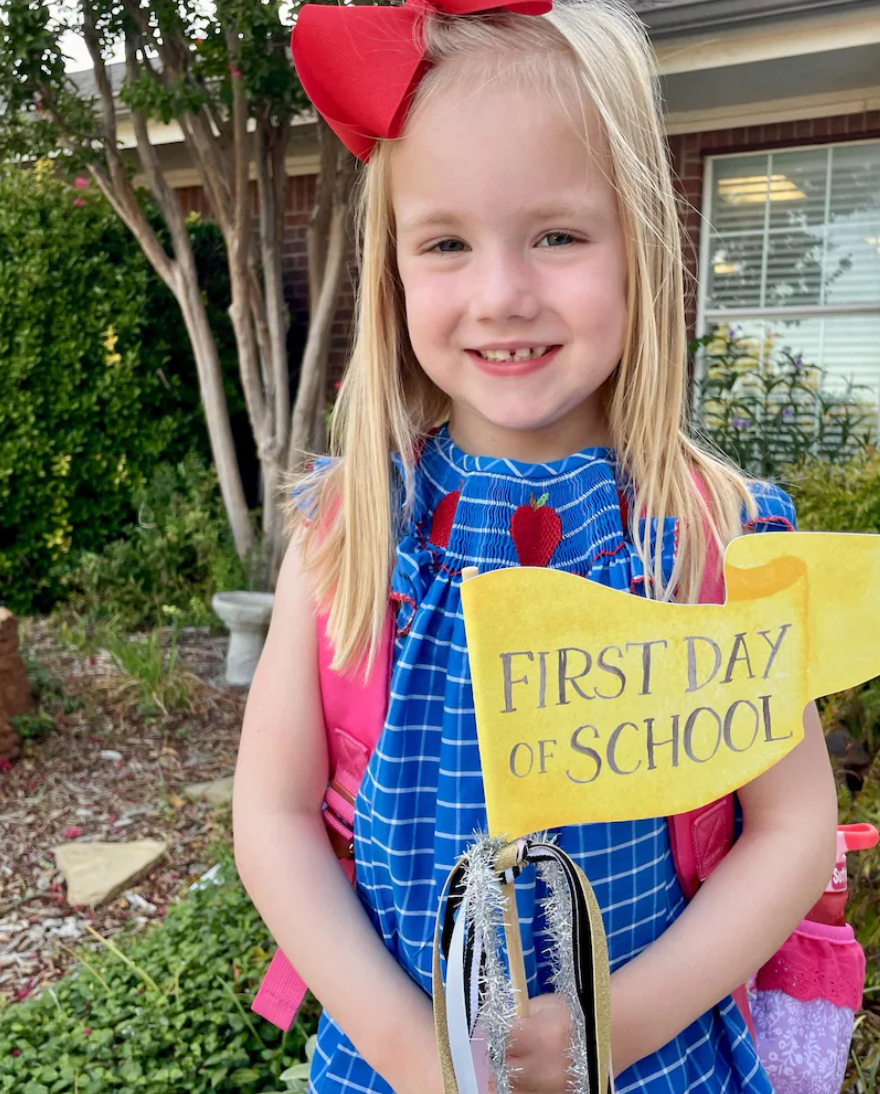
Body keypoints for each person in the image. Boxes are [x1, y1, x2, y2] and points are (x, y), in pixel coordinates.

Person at [232, 1, 838, 1092]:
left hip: (645, 1064)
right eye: (447, 242)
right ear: (395, 270)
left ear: (636, 244)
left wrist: (615, 1025)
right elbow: (270, 816)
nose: (502, 293)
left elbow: (792, 827)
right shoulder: (351, 533)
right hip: (392, 1062)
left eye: (556, 234)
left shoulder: (704, 538)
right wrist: (413, 1051)